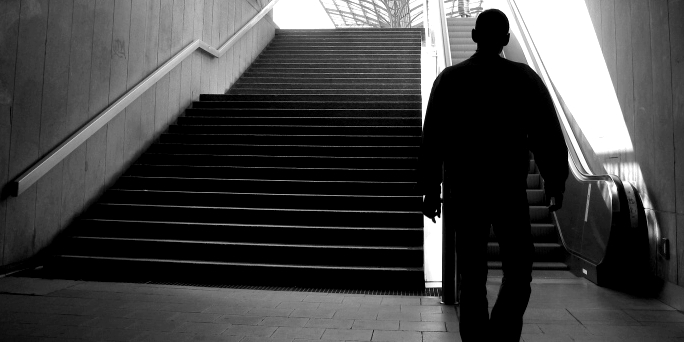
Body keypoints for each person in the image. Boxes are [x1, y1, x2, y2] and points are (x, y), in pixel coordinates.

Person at [418, 9, 569, 342]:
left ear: (473, 36)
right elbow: (546, 134)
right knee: (518, 271)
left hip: (465, 190)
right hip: (509, 191)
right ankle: (501, 335)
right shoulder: (524, 78)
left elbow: (433, 139)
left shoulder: (449, 79)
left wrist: (431, 190)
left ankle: (476, 340)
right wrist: (554, 181)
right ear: (506, 40)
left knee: (471, 276)